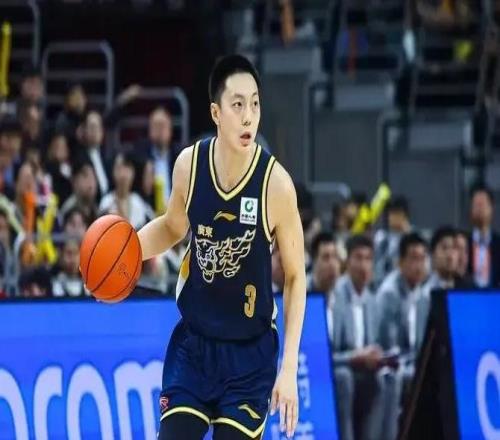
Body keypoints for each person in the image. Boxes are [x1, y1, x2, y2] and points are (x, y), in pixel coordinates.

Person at [136, 55, 306, 440]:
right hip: (194, 346)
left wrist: (289, 368)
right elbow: (172, 227)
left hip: (249, 356)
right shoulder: (189, 165)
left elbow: (296, 277)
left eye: (255, 104)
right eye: (238, 105)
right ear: (216, 112)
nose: (249, 117)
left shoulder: (276, 185)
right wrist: (126, 254)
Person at [330, 235, 388, 440]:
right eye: (358, 258)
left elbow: (374, 342)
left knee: (387, 379)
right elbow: (329, 354)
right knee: (345, 378)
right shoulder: (335, 296)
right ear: (347, 262)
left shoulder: (372, 301)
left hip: (365, 370)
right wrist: (355, 357)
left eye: (368, 259)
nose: (364, 265)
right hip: (342, 368)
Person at [376, 232, 430, 439]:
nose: (419, 266)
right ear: (400, 262)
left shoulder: (424, 294)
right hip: (392, 365)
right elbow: (389, 347)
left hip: (414, 364)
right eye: (413, 258)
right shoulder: (389, 293)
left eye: (423, 259)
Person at [99, 151, 154, 230]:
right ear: (113, 171)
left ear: (133, 172)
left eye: (127, 168)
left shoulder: (139, 202)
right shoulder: (106, 202)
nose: (123, 174)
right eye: (119, 168)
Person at [373, 196, 412, 286]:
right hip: (381, 280)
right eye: (392, 214)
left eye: (398, 214)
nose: (394, 218)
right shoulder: (381, 236)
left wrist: (408, 234)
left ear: (405, 216)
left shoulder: (412, 237)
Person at [467, 186, 500, 287]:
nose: (479, 208)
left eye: (482, 204)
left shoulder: (498, 242)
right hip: (468, 293)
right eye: (476, 205)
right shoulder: (464, 243)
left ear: (491, 208)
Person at [307, 231, 340, 298]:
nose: (332, 264)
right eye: (326, 257)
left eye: (335, 256)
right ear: (314, 261)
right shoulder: (301, 291)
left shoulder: (343, 292)